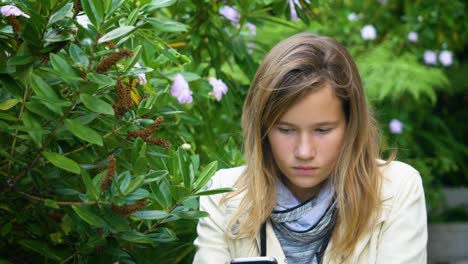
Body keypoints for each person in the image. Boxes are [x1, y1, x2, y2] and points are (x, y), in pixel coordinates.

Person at [193, 33, 427, 264]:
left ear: (350, 125)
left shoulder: (397, 189)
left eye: (322, 130)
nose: (304, 152)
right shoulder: (222, 194)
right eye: (286, 130)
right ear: (262, 130)